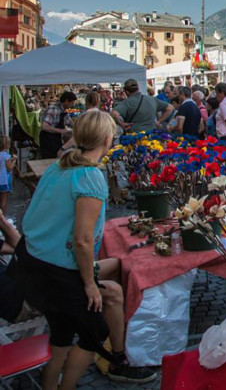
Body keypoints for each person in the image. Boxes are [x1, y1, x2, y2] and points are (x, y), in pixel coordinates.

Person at [10, 110, 156, 387]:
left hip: (33, 262)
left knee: (63, 335)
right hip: (56, 271)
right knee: (94, 334)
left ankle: (58, 383)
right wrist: (89, 284)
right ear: (107, 138)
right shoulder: (89, 176)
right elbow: (83, 240)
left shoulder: (59, 166)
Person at [0, 208, 25, 322]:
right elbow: (21, 248)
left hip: (17, 291)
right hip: (16, 303)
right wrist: (2, 221)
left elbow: (17, 247)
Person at [39, 91, 77, 158]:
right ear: (66, 101)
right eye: (72, 103)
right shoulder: (53, 109)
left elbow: (70, 123)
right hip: (48, 140)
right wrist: (60, 131)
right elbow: (44, 126)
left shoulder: (63, 110)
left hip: (56, 139)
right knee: (50, 159)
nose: (72, 105)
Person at [0, 136, 16, 213]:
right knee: (4, 200)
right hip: (4, 181)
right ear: (7, 145)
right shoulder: (7, 156)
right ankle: (3, 217)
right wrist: (14, 160)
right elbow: (10, 167)